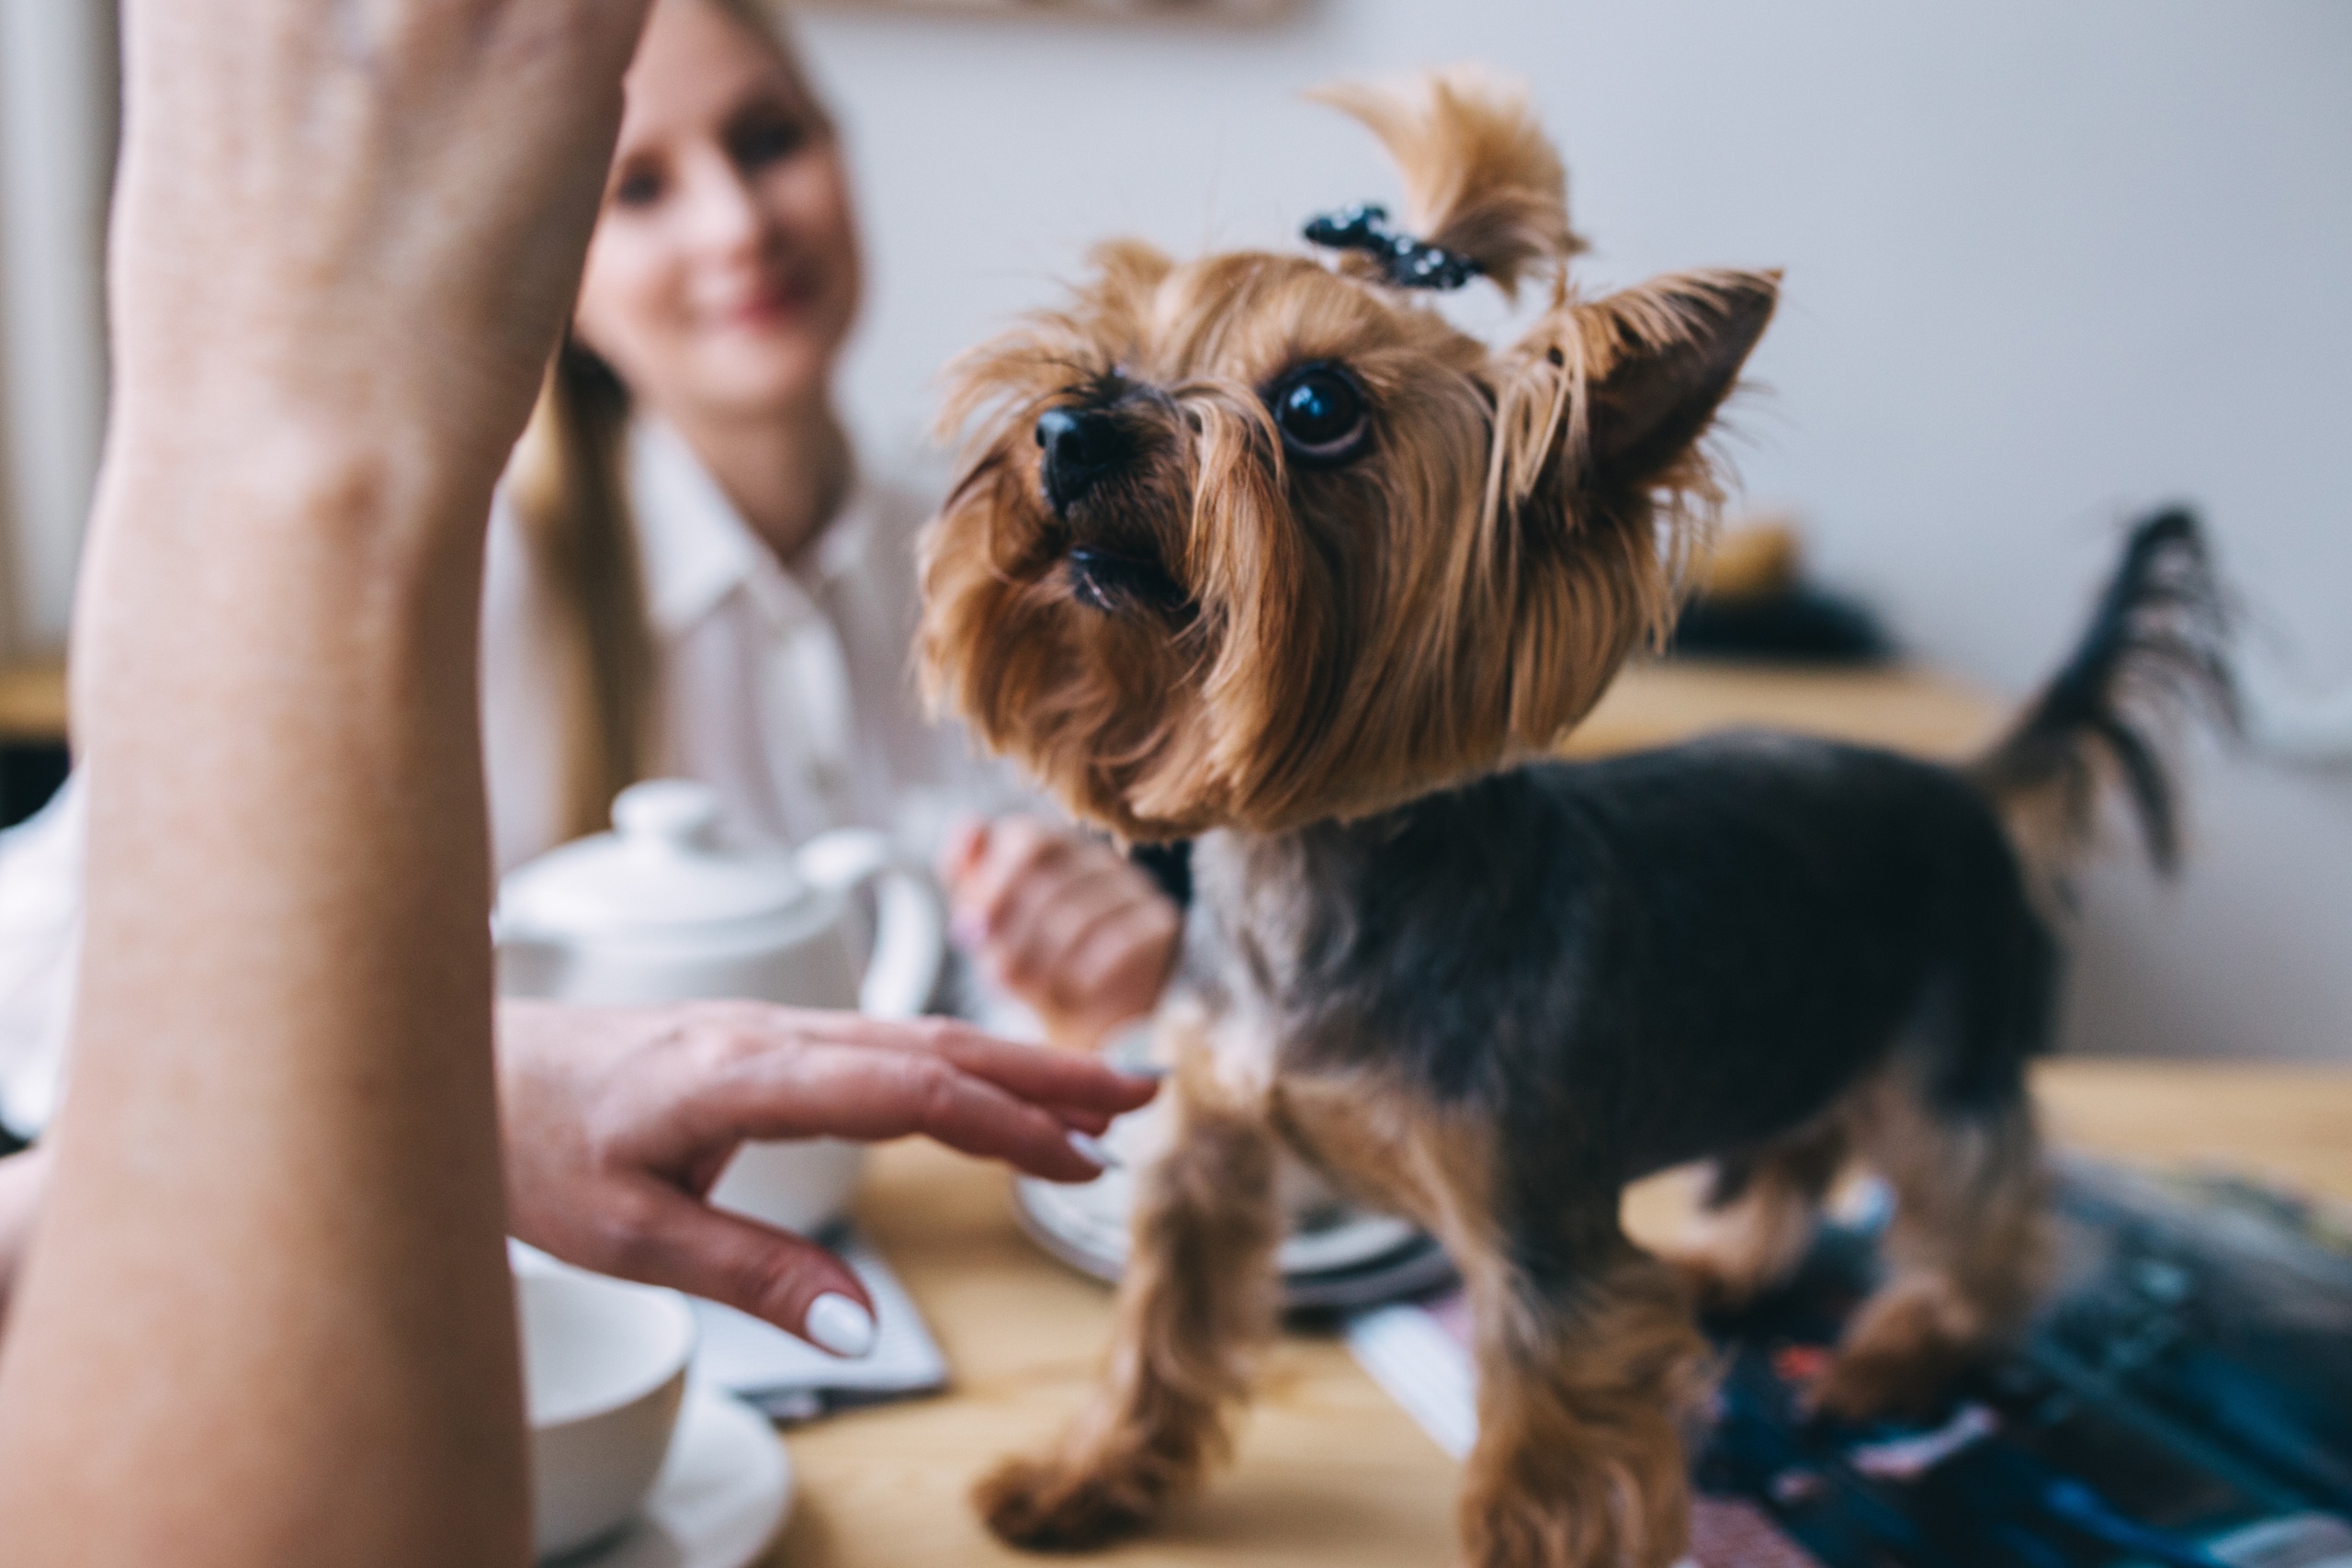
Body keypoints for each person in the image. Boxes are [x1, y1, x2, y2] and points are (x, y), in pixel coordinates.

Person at [0, 1, 1160, 1558]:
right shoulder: (447, 588)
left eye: (768, 141)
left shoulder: (979, 553)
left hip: (946, 1343)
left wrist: (1103, 979)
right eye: (639, 186)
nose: (739, 224)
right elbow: (38, 983)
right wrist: (451, 1070)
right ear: (555, 256)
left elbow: (1013, 1003)